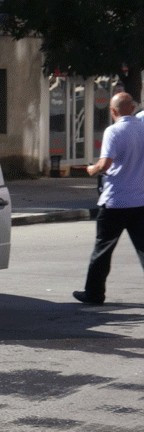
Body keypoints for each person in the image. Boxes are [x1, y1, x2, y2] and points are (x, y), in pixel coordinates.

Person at [73, 92, 144, 304]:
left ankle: (94, 294)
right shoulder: (142, 127)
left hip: (115, 201)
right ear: (132, 108)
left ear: (113, 111)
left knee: (103, 250)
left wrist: (91, 169)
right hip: (139, 201)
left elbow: (105, 164)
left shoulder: (113, 131)